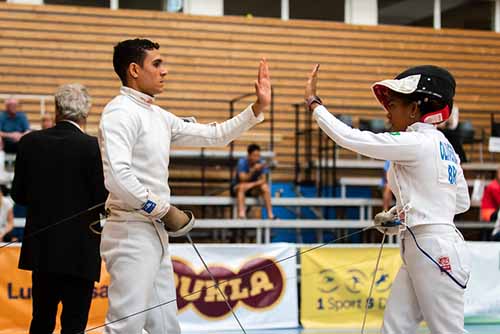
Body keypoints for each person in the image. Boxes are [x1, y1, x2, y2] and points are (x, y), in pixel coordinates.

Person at [98, 38, 270, 334]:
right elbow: (118, 177)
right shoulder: (119, 113)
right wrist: (162, 209)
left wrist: (255, 109)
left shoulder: (158, 115)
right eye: (157, 64)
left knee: (165, 326)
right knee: (126, 324)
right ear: (134, 70)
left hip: (155, 233)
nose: (164, 71)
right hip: (130, 231)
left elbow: (213, 135)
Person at [305, 64, 471, 333]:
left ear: (414, 109)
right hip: (423, 246)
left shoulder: (416, 142)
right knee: (395, 327)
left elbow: (350, 138)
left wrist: (315, 105)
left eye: (393, 105)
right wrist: (400, 213)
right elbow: (460, 202)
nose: (387, 113)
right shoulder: (444, 146)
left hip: (432, 248)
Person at [11, 83, 107, 334]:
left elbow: (18, 195)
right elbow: (103, 198)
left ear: (56, 110)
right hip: (81, 251)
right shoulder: (93, 147)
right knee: (74, 325)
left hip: (43, 250)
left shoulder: (30, 142)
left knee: (41, 320)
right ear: (86, 114)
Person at [234, 143, 275, 219]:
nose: (257, 158)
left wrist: (251, 185)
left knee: (265, 187)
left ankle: (270, 214)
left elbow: (263, 180)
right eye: (254, 155)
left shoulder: (261, 163)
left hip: (252, 188)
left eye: (258, 156)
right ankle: (241, 214)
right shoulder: (242, 162)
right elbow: (242, 179)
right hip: (239, 188)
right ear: (249, 155)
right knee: (241, 187)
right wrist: (253, 171)